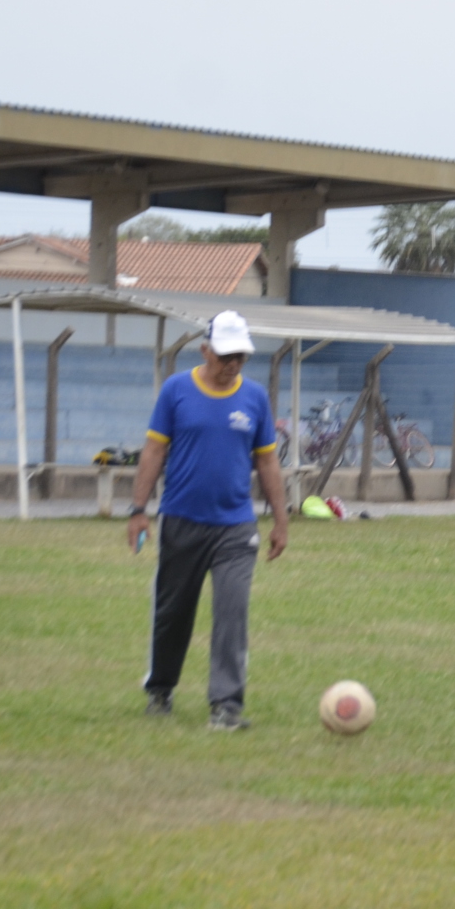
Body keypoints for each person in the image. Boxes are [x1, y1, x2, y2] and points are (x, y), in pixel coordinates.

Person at [128, 310, 289, 732]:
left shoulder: (254, 398)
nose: (232, 364)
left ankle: (226, 706)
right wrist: (138, 510)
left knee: (231, 613)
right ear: (205, 350)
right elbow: (153, 452)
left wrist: (282, 520)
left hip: (236, 526)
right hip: (181, 520)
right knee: (173, 613)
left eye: (240, 356)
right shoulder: (176, 391)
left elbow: (268, 461)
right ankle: (160, 689)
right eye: (225, 355)